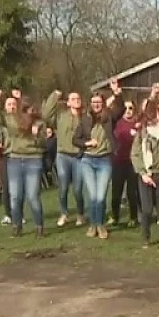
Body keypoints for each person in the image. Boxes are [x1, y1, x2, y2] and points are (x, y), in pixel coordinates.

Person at [0, 88, 49, 237]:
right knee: (15, 196)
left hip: (33, 160)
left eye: (28, 108)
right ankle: (16, 226)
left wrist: (35, 136)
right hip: (15, 159)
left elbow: (43, 144)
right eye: (24, 108)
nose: (26, 111)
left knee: (33, 196)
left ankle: (39, 226)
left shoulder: (39, 123)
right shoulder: (11, 119)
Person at [73, 78, 124, 239]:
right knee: (93, 196)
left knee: (101, 196)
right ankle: (93, 225)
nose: (96, 104)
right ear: (90, 104)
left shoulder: (109, 118)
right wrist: (87, 143)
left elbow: (120, 109)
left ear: (103, 103)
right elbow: (75, 139)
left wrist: (117, 94)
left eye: (98, 102)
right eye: (93, 102)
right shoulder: (85, 119)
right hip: (87, 160)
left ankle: (100, 225)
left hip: (104, 161)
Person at [131, 99, 159, 249]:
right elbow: (135, 154)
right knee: (146, 209)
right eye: (158, 111)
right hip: (147, 174)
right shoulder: (143, 132)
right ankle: (146, 237)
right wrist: (143, 173)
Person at [43, 90, 87, 227]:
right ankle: (64, 213)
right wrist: (54, 96)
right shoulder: (61, 116)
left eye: (78, 98)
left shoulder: (86, 117)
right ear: (68, 103)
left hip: (79, 156)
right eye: (73, 98)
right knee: (63, 188)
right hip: (63, 156)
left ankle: (80, 214)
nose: (76, 100)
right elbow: (46, 114)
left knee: (78, 189)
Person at [109, 100, 139, 228]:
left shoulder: (137, 124)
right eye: (125, 108)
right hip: (118, 162)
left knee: (132, 193)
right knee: (116, 193)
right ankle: (115, 216)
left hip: (132, 163)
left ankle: (133, 217)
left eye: (131, 108)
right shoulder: (116, 123)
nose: (128, 110)